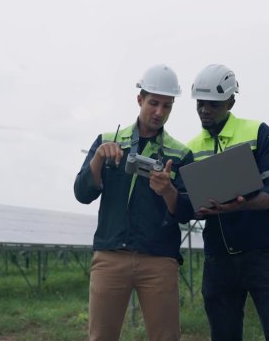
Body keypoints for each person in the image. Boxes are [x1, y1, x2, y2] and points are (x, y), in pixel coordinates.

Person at [74, 64, 194, 341]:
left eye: (167, 106)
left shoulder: (180, 153)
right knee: (101, 337)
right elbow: (82, 193)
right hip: (110, 256)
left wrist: (168, 191)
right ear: (140, 99)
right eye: (153, 103)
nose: (159, 112)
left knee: (166, 337)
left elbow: (188, 211)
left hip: (160, 260)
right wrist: (98, 160)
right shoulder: (107, 141)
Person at [185, 64, 269, 341]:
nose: (204, 110)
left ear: (231, 101)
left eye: (213, 104)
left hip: (264, 256)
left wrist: (242, 205)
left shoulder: (258, 132)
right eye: (200, 103)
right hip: (219, 260)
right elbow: (187, 204)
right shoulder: (190, 148)